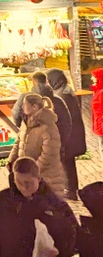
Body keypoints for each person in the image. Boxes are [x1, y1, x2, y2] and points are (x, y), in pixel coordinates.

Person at [0, 157, 77, 257]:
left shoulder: (52, 203)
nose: (24, 188)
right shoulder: (3, 200)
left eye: (28, 183)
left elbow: (71, 235)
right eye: (19, 182)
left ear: (38, 179)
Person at [10, 93, 68, 196]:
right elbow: (19, 141)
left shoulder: (47, 126)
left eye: (25, 104)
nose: (22, 107)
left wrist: (33, 170)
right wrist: (12, 160)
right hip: (29, 176)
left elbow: (49, 153)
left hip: (47, 177)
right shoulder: (26, 122)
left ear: (34, 107)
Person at [48, 68, 87, 199]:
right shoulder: (66, 90)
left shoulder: (62, 96)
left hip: (68, 136)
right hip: (72, 134)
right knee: (68, 162)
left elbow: (62, 118)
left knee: (66, 162)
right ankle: (70, 189)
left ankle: (70, 190)